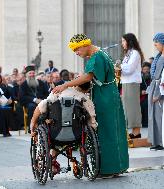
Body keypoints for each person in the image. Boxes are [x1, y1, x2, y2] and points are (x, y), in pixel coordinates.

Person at [52, 34, 128, 177]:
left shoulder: (96, 57)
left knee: (106, 132)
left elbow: (88, 77)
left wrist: (66, 85)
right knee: (113, 131)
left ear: (84, 45)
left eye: (77, 50)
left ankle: (108, 169)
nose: (76, 53)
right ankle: (118, 166)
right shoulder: (100, 54)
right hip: (108, 94)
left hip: (104, 97)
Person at [30, 82, 97, 174]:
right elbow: (92, 122)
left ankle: (52, 162)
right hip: (76, 136)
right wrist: (92, 131)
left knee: (54, 133)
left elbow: (41, 107)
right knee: (85, 133)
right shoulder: (85, 99)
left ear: (76, 84)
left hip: (55, 134)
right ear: (88, 89)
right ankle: (83, 162)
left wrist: (32, 123)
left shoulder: (59, 92)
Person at [119, 33, 143, 139]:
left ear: (129, 41)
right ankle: (133, 131)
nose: (122, 43)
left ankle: (136, 132)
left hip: (132, 82)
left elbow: (129, 69)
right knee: (127, 108)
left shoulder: (135, 53)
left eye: (123, 41)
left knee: (133, 108)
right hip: (126, 82)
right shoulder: (128, 53)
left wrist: (119, 66)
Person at [19, 65, 49, 133]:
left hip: (41, 101)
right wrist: (34, 100)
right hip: (30, 102)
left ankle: (45, 126)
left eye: (33, 73)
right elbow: (22, 97)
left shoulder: (41, 83)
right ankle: (32, 127)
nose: (32, 75)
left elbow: (47, 94)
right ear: (26, 75)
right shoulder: (23, 85)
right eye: (30, 73)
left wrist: (42, 100)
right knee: (32, 106)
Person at [147, 33, 164, 151]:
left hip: (159, 88)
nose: (155, 46)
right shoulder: (159, 56)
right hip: (154, 86)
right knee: (152, 115)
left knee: (159, 116)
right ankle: (156, 141)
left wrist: (157, 94)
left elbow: (162, 77)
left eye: (156, 43)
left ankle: (161, 141)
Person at [140, 63, 151, 128]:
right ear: (142, 70)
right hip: (142, 97)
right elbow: (136, 88)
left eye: (147, 69)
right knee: (144, 104)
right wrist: (141, 92)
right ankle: (144, 123)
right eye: (144, 69)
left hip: (151, 96)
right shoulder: (140, 78)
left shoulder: (152, 78)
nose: (146, 71)